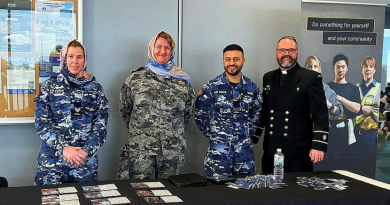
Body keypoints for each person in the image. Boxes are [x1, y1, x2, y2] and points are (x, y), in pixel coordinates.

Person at [117, 31, 195, 180]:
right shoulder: (135, 78)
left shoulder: (183, 81)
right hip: (140, 149)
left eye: (167, 47)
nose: (162, 51)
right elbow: (125, 109)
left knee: (171, 195)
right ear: (151, 49)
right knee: (137, 194)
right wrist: (143, 131)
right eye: (158, 46)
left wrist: (168, 132)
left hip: (172, 150)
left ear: (172, 51)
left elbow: (186, 113)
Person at [34, 39, 109, 185]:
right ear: (64, 58)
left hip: (84, 163)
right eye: (71, 56)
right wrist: (64, 148)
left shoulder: (95, 88)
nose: (75, 61)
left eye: (79, 57)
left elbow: (101, 126)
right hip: (53, 162)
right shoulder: (49, 86)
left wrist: (85, 151)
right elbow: (42, 124)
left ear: (85, 59)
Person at [253, 36, 329, 174]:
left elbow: (320, 114)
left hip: (298, 151)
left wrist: (318, 145)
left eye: (290, 50)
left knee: (297, 193)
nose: (286, 54)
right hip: (271, 149)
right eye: (282, 50)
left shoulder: (310, 78)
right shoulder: (268, 77)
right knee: (269, 192)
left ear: (297, 52)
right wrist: (254, 135)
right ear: (276, 53)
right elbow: (265, 110)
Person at [195, 44, 262, 180]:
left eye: (236, 59)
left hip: (244, 156)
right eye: (228, 59)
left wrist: (245, 134)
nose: (232, 63)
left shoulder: (252, 87)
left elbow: (257, 115)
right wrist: (217, 135)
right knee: (217, 197)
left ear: (243, 60)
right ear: (223, 61)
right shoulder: (211, 87)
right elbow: (200, 116)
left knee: (246, 196)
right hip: (219, 156)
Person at [323, 54, 362, 174]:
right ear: (333, 68)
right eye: (338, 67)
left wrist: (339, 98)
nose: (340, 70)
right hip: (328, 131)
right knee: (326, 165)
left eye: (343, 67)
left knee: (344, 167)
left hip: (345, 133)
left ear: (347, 68)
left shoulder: (353, 89)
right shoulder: (327, 87)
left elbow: (357, 109)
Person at [354, 56, 381, 178]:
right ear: (362, 69)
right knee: (355, 169)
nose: (368, 69)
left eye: (371, 66)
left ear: (375, 69)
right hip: (355, 133)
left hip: (371, 134)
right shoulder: (356, 87)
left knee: (369, 169)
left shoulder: (379, 88)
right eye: (365, 66)